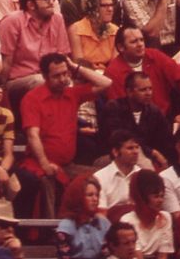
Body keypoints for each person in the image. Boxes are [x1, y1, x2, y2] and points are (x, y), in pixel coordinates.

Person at [16, 52, 112, 217]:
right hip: (39, 163)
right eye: (56, 76)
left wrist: (75, 67)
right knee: (47, 180)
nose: (63, 79)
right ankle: (51, 231)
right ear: (45, 76)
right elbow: (33, 135)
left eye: (65, 74)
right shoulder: (33, 98)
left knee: (101, 176)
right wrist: (45, 163)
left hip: (68, 165)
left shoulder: (72, 94)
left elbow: (106, 83)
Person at [105, 24, 180, 123]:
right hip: (133, 126)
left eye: (141, 40)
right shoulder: (113, 72)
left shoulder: (155, 56)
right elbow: (120, 109)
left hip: (165, 119)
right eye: (134, 42)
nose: (140, 44)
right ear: (121, 47)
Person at [54, 174, 110, 259]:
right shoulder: (66, 226)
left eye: (96, 195)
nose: (95, 199)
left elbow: (107, 254)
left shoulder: (103, 223)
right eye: (90, 195)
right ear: (78, 198)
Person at [120, 169, 175, 259]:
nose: (160, 200)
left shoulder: (165, 218)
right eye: (156, 196)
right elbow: (137, 257)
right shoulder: (127, 220)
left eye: (162, 196)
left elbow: (163, 256)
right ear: (142, 198)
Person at [68, 0, 118, 71]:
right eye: (104, 6)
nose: (110, 9)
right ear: (92, 7)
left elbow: (115, 64)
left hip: (107, 75)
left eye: (111, 5)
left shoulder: (115, 30)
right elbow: (78, 63)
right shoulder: (76, 29)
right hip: (84, 75)